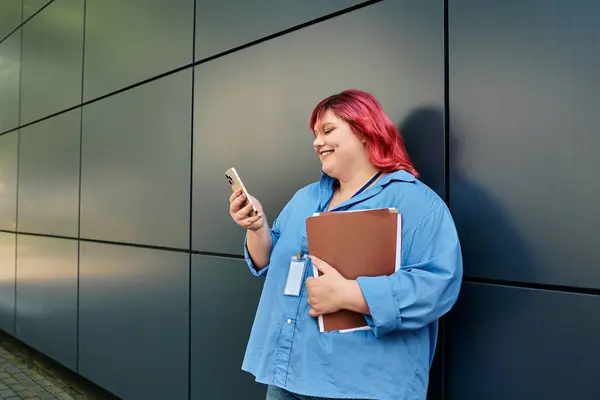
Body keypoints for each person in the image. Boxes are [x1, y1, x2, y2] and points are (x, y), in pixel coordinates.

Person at [229, 89, 463, 400]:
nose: (317, 142)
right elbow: (270, 263)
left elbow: (439, 286)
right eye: (314, 134)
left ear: (366, 132)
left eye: (327, 130)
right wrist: (256, 228)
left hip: (359, 387)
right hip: (287, 376)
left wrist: (351, 294)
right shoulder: (305, 198)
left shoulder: (416, 203)